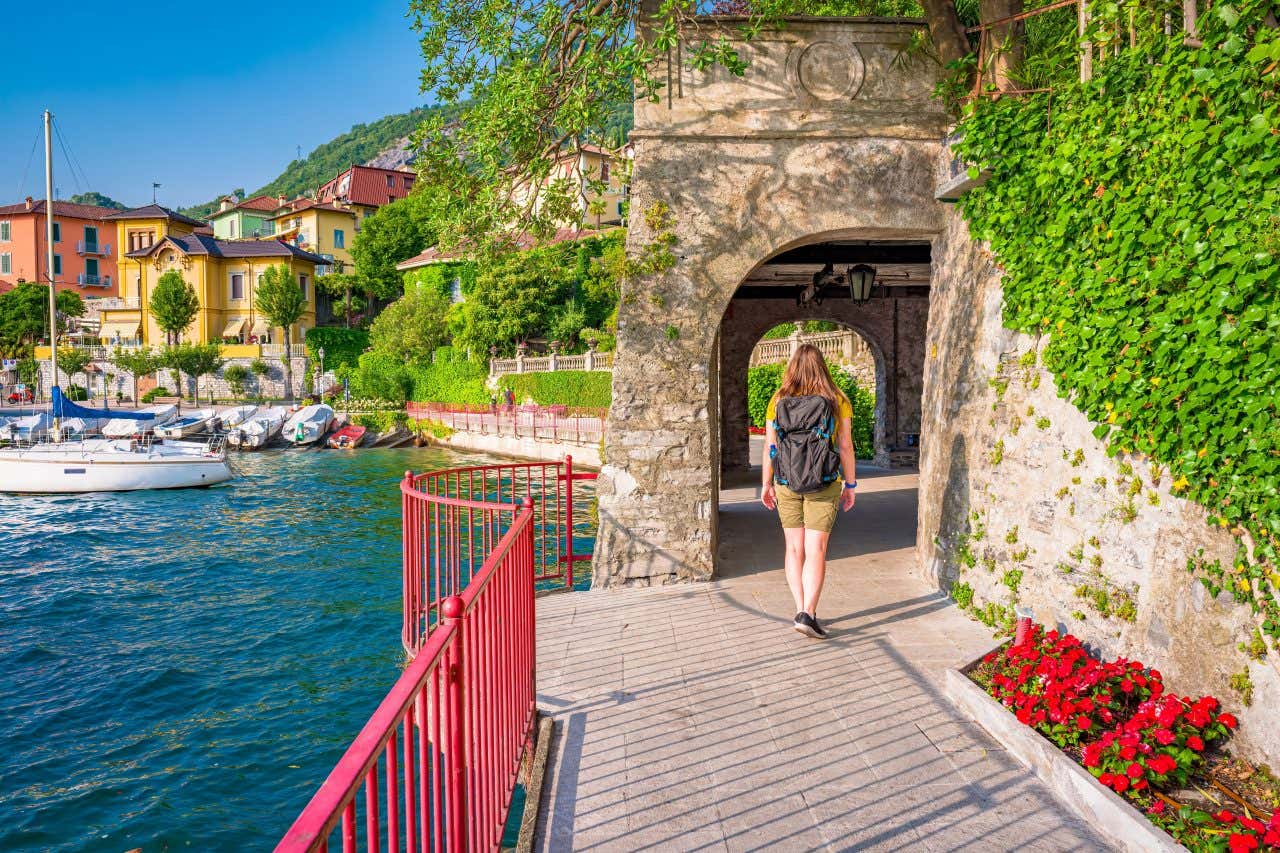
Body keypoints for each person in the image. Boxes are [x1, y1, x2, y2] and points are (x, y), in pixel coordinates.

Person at [760, 344, 857, 639]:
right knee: (816, 549)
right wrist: (850, 484)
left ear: (792, 367)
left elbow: (770, 446)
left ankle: (800, 607)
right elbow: (844, 446)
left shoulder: (778, 399)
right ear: (822, 366)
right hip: (823, 481)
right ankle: (809, 613)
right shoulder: (837, 399)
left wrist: (766, 483)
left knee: (793, 548)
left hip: (786, 481)